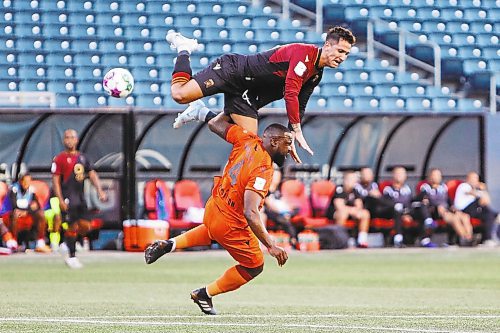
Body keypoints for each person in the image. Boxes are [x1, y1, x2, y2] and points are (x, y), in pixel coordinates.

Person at [145, 113, 291, 315]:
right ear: (274, 141)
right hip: (231, 223)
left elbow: (215, 124)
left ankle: (170, 244)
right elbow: (250, 212)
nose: (289, 150)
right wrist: (271, 245)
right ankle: (205, 293)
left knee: (212, 229)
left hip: (214, 207)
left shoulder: (246, 138)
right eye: (287, 145)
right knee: (255, 265)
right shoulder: (263, 167)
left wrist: (215, 111)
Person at [167, 26, 356, 163]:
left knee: (248, 145)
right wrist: (297, 130)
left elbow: (300, 102)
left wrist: (289, 136)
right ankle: (184, 48)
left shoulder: (316, 74)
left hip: (246, 95)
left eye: (347, 54)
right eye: (340, 51)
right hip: (231, 71)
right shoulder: (304, 54)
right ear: (327, 45)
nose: (342, 57)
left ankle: (201, 113)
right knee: (179, 94)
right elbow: (291, 92)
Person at [51, 129, 107, 269]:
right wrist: (60, 199)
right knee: (71, 226)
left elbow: (92, 174)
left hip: (80, 198)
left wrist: (99, 190)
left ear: (76, 140)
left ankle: (67, 242)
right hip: (68, 197)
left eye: (72, 137)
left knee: (86, 226)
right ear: (64, 140)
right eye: (67, 137)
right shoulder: (59, 159)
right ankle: (72, 256)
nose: (69, 140)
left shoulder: (83, 158)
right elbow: (56, 180)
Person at [383, 166, 436, 247]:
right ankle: (398, 239)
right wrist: (403, 214)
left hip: (407, 211)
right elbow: (387, 203)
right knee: (397, 208)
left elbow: (410, 201)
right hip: (394, 213)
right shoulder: (388, 189)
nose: (400, 176)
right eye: (398, 174)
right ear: (393, 175)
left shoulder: (407, 188)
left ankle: (425, 236)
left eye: (402, 174)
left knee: (421, 207)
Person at [420, 168, 473, 246]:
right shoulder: (426, 187)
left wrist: (453, 207)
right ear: (429, 176)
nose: (437, 177)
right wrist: (438, 206)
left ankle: (469, 237)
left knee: (465, 217)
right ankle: (464, 238)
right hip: (436, 211)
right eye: (434, 175)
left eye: (438, 175)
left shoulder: (443, 187)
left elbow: (448, 200)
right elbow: (426, 201)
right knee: (454, 219)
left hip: (447, 209)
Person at [5, 173, 50, 253]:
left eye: (29, 181)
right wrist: (28, 209)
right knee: (15, 214)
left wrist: (27, 211)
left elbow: (36, 206)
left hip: (27, 214)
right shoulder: (14, 189)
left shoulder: (32, 190)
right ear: (20, 181)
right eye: (25, 181)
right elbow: (14, 205)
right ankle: (14, 241)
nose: (27, 184)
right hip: (15, 216)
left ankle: (40, 241)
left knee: (41, 214)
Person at [326, 171, 370, 248]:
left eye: (354, 180)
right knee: (343, 213)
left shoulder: (355, 191)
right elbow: (339, 206)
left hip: (350, 214)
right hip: (335, 214)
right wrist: (353, 210)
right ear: (345, 180)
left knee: (365, 213)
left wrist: (356, 211)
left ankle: (362, 240)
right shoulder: (339, 189)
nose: (353, 182)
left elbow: (359, 205)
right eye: (351, 179)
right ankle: (340, 239)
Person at [454, 172, 498, 246]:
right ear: (468, 179)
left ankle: (487, 239)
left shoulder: (475, 189)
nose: (475, 181)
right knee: (480, 200)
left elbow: (487, 200)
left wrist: (483, 191)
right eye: (473, 178)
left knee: (490, 214)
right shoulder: (464, 186)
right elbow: (472, 193)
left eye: (476, 179)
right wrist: (482, 190)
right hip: (463, 209)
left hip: (473, 210)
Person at [262, 165, 297, 246]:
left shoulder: (278, 190)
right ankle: (293, 240)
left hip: (282, 210)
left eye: (278, 175)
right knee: (283, 218)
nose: (277, 178)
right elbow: (268, 204)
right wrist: (282, 212)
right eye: (275, 175)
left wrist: (288, 209)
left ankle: (293, 239)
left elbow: (283, 201)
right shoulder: (266, 189)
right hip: (271, 212)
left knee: (296, 210)